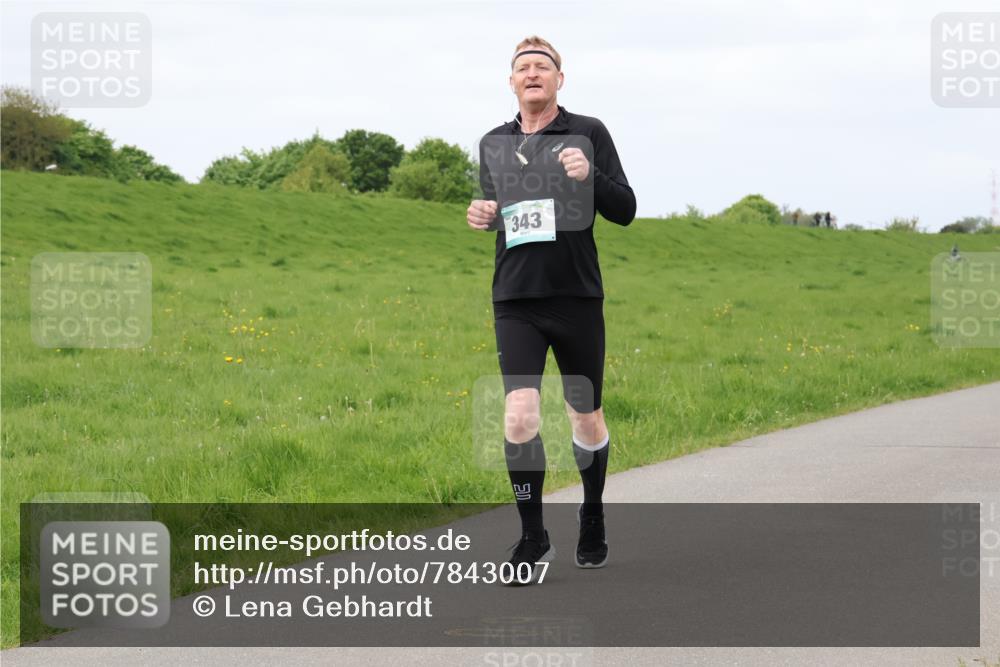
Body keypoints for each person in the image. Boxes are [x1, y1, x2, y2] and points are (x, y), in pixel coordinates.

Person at [466, 36, 636, 582]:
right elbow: (503, 213)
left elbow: (626, 209)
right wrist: (483, 214)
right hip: (515, 298)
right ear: (511, 82)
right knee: (519, 414)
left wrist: (591, 176)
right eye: (524, 67)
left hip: (576, 296)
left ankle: (592, 512)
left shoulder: (588, 133)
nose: (533, 73)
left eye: (543, 66)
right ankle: (533, 535)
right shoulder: (493, 143)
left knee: (585, 415)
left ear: (560, 79)